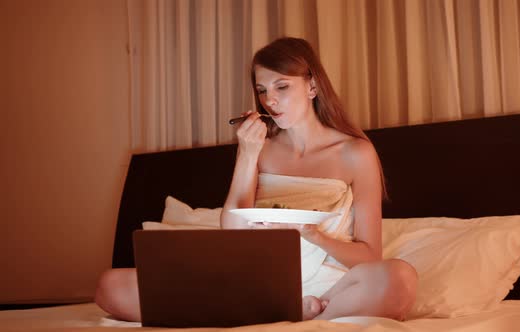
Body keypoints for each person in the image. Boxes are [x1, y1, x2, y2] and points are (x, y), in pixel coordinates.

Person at [94, 37, 417, 322]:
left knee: (398, 278)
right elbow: (232, 230)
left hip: (323, 286)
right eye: (262, 90)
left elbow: (370, 255)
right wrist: (248, 154)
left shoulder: (355, 153)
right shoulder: (259, 147)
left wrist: (311, 235)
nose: (269, 101)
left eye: (282, 86)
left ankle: (295, 314)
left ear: (312, 86)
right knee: (111, 285)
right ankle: (284, 314)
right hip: (251, 282)